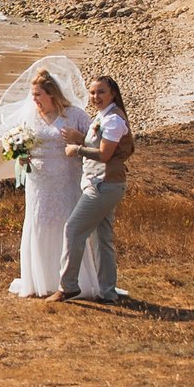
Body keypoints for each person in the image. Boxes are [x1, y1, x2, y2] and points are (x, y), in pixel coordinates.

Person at [6, 70, 90, 299]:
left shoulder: (74, 115)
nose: (33, 99)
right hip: (38, 182)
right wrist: (19, 155)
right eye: (32, 95)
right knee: (39, 221)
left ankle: (69, 280)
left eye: (37, 94)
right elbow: (19, 141)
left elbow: (95, 142)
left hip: (65, 181)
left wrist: (79, 139)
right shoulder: (30, 116)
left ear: (51, 93)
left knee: (66, 225)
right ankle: (40, 280)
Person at [57, 75, 133, 303]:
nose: (95, 97)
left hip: (104, 185)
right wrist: (82, 139)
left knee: (73, 229)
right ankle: (108, 292)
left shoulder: (113, 121)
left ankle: (68, 286)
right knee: (102, 239)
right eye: (92, 93)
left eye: (101, 92)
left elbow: (104, 154)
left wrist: (77, 149)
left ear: (113, 94)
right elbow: (99, 145)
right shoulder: (103, 117)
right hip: (102, 183)